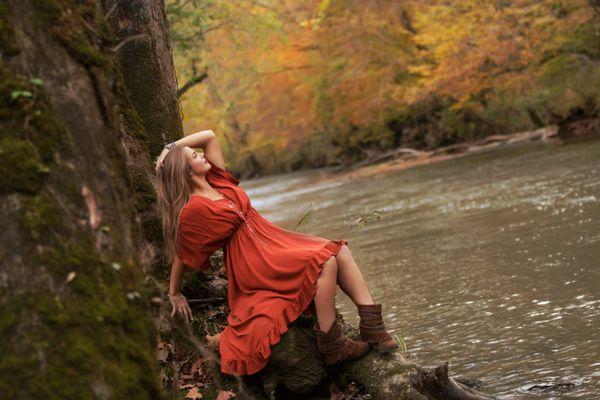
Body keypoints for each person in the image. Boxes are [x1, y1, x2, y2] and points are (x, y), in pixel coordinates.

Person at [154, 129, 398, 376]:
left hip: (273, 240)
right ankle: (332, 342)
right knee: (326, 262)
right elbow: (182, 253)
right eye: (193, 157)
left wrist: (170, 147)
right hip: (252, 260)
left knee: (340, 251)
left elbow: (209, 136)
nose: (201, 155)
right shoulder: (194, 210)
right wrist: (174, 292)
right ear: (185, 171)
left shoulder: (218, 180)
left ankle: (373, 327)